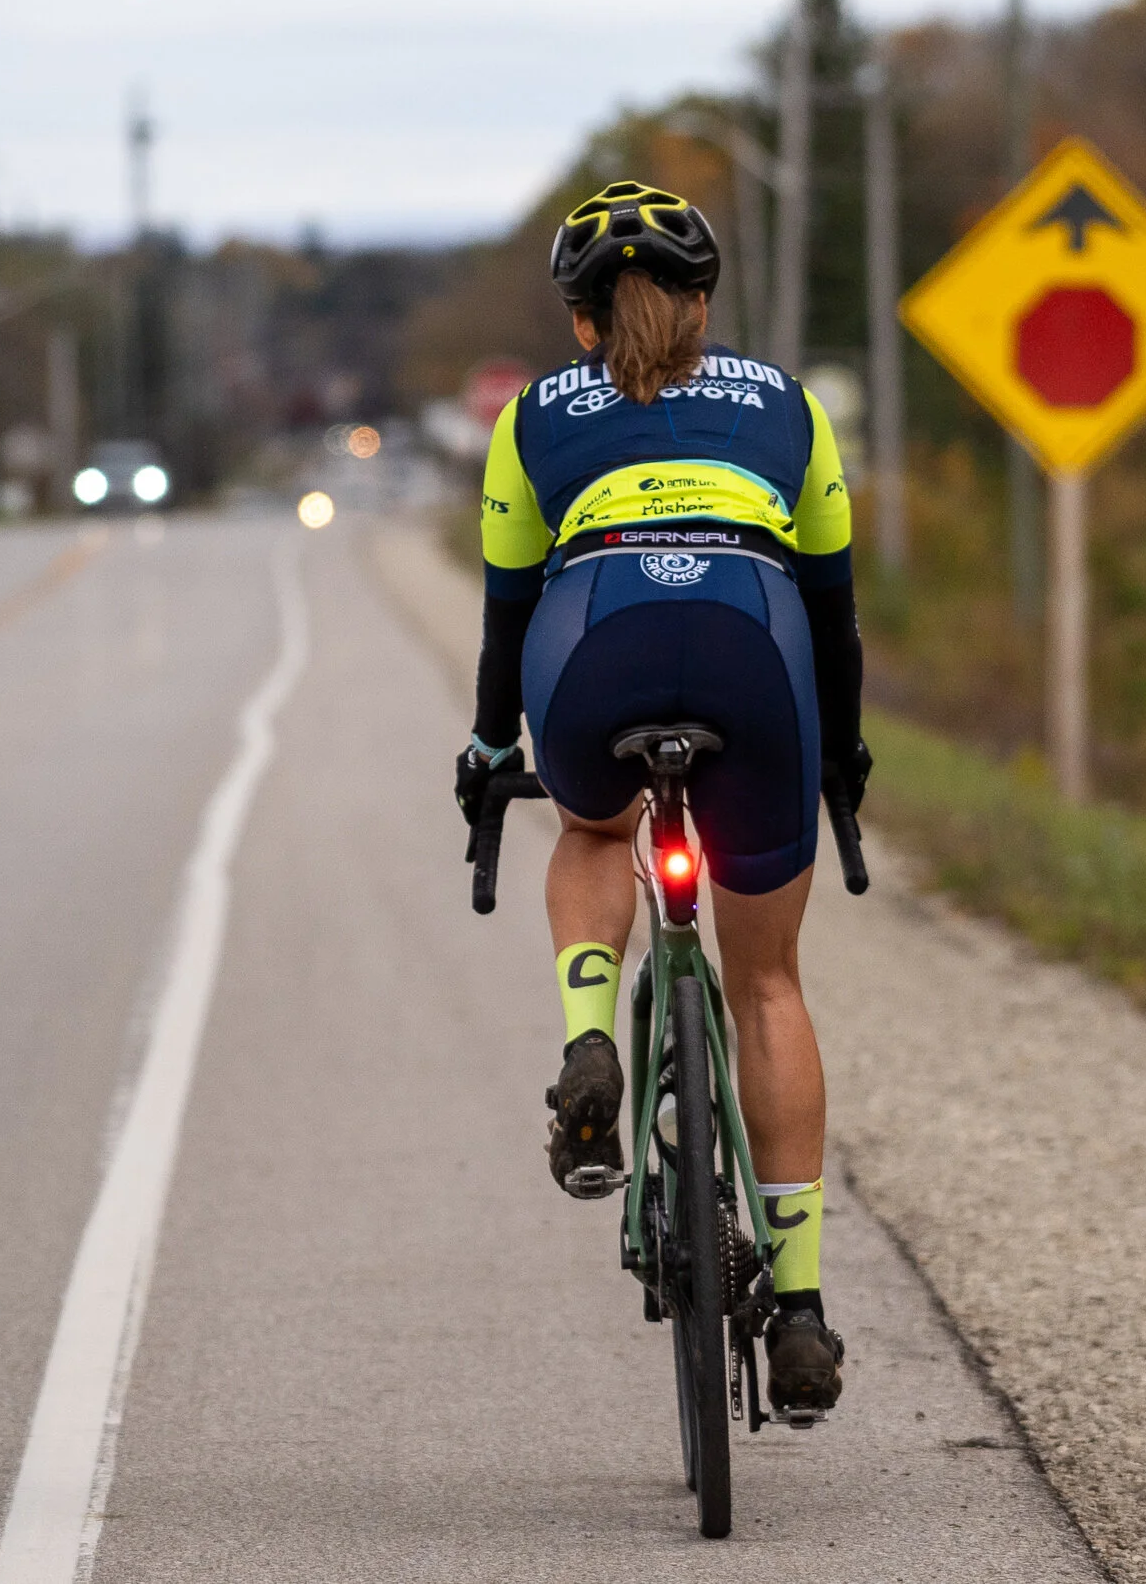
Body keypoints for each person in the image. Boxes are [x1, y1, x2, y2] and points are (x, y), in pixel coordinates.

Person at [453, 180, 869, 1414]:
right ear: (704, 304)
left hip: (595, 647)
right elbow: (835, 612)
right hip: (757, 650)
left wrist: (488, 751)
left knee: (591, 823)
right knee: (768, 983)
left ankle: (591, 1040)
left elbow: (506, 613)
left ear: (582, 323)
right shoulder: (785, 403)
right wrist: (836, 753)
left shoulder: (533, 416)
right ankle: (797, 1309)